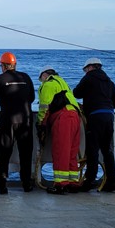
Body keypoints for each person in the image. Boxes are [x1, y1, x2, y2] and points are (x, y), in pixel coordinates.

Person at [0, 51, 35, 194]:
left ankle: (3, 185)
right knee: (26, 153)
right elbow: (31, 97)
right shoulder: (26, 77)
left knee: (4, 152)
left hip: (8, 120)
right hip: (25, 120)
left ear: (3, 65)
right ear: (14, 65)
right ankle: (26, 184)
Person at [73, 57, 115, 192]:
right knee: (107, 150)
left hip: (95, 117)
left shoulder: (88, 78)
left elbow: (76, 93)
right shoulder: (110, 82)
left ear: (90, 67)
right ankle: (112, 181)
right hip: (108, 116)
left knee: (92, 150)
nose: (85, 71)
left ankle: (89, 180)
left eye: (85, 69)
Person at [37, 65, 82, 195]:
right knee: (71, 152)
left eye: (41, 79)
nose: (41, 81)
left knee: (61, 151)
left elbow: (44, 108)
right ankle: (73, 183)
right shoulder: (63, 82)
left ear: (44, 75)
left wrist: (40, 124)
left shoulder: (48, 85)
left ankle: (60, 185)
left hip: (63, 118)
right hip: (75, 117)